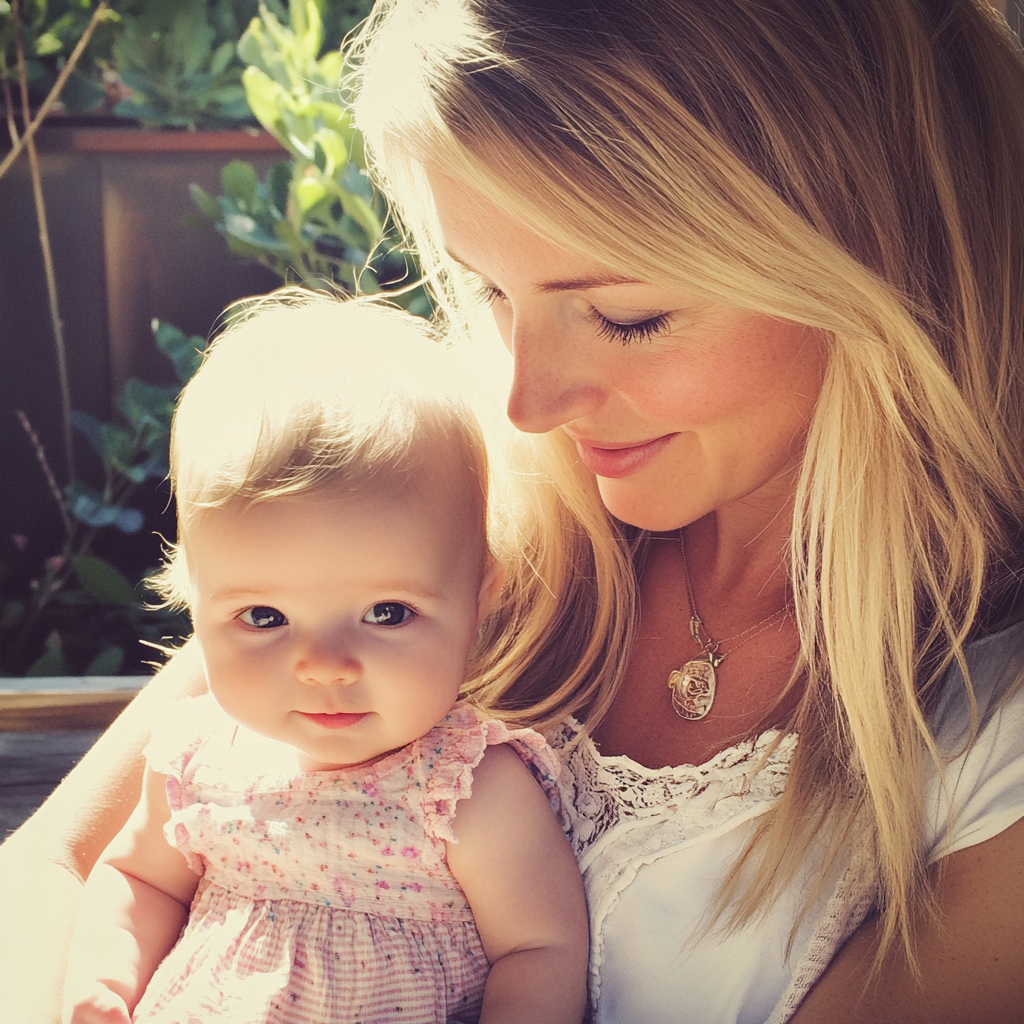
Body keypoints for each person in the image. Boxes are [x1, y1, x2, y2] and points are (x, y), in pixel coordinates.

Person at [2, 0, 1023, 1021]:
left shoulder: (989, 732)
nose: (526, 402)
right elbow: (50, 874)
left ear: (883, 258)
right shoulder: (430, 502)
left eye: (628, 319)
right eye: (491, 289)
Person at [59, 295, 589, 1024]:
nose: (324, 665)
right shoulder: (194, 761)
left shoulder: (465, 787)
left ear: (478, 596)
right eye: (264, 617)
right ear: (194, 597)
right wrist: (105, 982)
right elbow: (137, 880)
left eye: (387, 613)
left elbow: (539, 948)